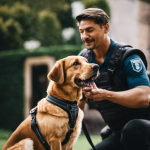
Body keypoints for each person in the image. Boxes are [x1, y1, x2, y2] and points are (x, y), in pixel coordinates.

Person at [76, 8, 150, 150]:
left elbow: (144, 97)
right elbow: (77, 102)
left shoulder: (128, 57)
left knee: (133, 128)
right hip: (119, 132)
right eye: (81, 31)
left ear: (105, 28)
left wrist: (105, 94)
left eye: (89, 30)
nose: (85, 36)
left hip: (143, 129)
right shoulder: (83, 60)